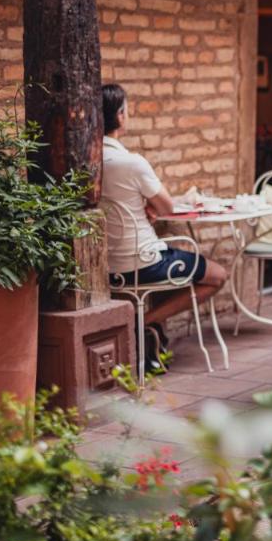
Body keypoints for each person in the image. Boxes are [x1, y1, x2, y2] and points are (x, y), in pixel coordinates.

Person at [101, 83, 228, 371]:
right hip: (144, 261)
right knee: (217, 275)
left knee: (170, 262)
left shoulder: (89, 162)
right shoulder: (131, 162)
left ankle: (153, 338)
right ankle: (144, 322)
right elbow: (168, 208)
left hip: (109, 266)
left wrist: (144, 208)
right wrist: (153, 208)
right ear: (120, 117)